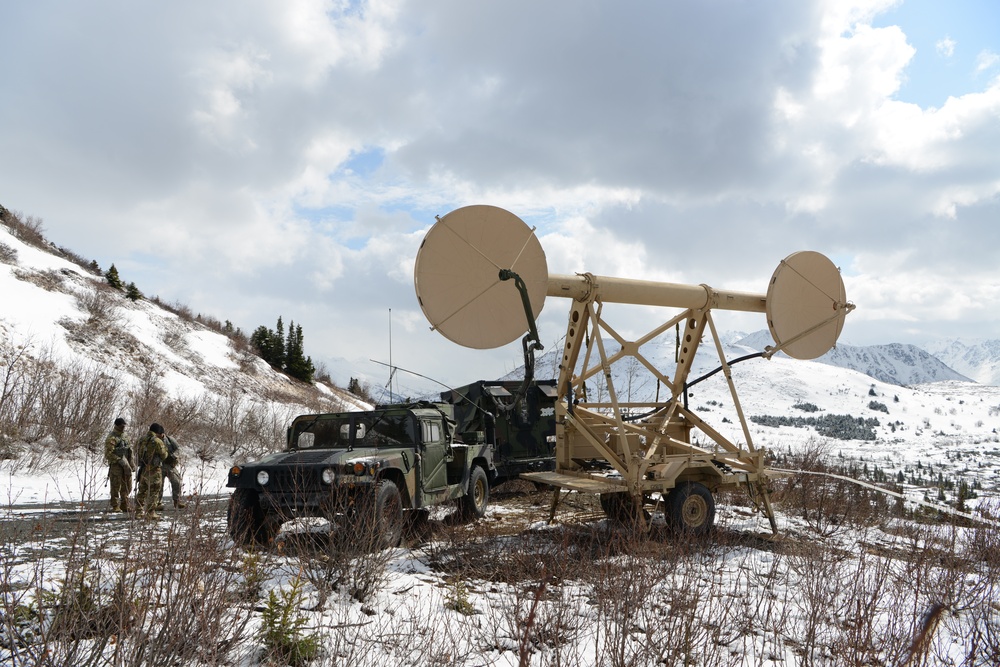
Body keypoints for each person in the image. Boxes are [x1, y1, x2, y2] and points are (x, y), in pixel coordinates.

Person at [134, 423, 169, 519]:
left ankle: (138, 512)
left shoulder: (141, 439)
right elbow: (164, 455)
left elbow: (135, 451)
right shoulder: (157, 441)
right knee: (154, 491)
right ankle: (150, 512)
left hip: (143, 469)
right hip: (154, 470)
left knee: (142, 491)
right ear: (158, 432)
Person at [103, 417, 133, 512]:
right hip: (116, 465)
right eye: (121, 426)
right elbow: (108, 454)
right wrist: (118, 460)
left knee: (127, 485)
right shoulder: (112, 437)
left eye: (124, 426)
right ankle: (115, 505)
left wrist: (131, 463)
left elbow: (129, 450)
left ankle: (125, 504)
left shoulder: (125, 436)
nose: (123, 428)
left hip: (126, 464)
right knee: (116, 485)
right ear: (117, 426)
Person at [155, 431, 186, 510]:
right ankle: (158, 503)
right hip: (159, 466)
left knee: (177, 482)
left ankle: (177, 500)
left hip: (170, 465)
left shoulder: (170, 439)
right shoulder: (154, 441)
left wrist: (174, 456)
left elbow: (178, 449)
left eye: (160, 434)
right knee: (159, 485)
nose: (159, 435)